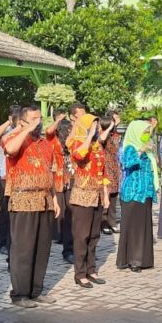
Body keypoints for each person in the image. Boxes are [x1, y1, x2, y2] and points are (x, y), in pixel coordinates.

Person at [2, 104, 59, 308]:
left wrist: (54, 199)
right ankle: (20, 294)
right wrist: (25, 129)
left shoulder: (44, 143)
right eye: (34, 119)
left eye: (40, 118)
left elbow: (50, 172)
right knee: (23, 249)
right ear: (23, 121)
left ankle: (36, 291)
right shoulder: (13, 137)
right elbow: (10, 150)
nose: (39, 122)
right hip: (23, 200)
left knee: (42, 248)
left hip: (44, 200)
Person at [68, 114, 109, 288]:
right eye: (93, 126)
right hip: (82, 196)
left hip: (97, 195)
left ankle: (91, 270)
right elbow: (79, 156)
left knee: (94, 235)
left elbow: (103, 171)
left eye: (97, 126)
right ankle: (80, 273)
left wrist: (105, 194)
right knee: (81, 236)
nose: (97, 129)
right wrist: (89, 136)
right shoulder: (77, 143)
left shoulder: (97, 146)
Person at [117, 120, 159, 271]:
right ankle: (133, 260)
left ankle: (144, 259)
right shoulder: (129, 147)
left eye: (148, 132)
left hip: (145, 192)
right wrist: (140, 151)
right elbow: (127, 163)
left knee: (144, 226)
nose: (147, 134)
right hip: (133, 193)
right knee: (134, 227)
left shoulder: (148, 148)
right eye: (144, 132)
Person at [0, 106, 19, 257]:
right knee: (5, 209)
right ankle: (2, 242)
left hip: (19, 177)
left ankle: (14, 240)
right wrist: (9, 122)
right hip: (4, 176)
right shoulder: (7, 130)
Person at [53, 116, 75, 265]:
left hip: (71, 180)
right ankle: (65, 247)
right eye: (70, 130)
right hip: (59, 181)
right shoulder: (55, 143)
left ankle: (70, 247)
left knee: (70, 214)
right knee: (63, 214)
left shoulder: (72, 143)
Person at [99, 113, 122, 235]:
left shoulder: (115, 135)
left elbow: (116, 147)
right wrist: (110, 128)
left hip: (113, 167)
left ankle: (112, 222)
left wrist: (114, 128)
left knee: (113, 196)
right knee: (105, 195)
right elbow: (102, 139)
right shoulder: (101, 134)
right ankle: (103, 222)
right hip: (104, 166)